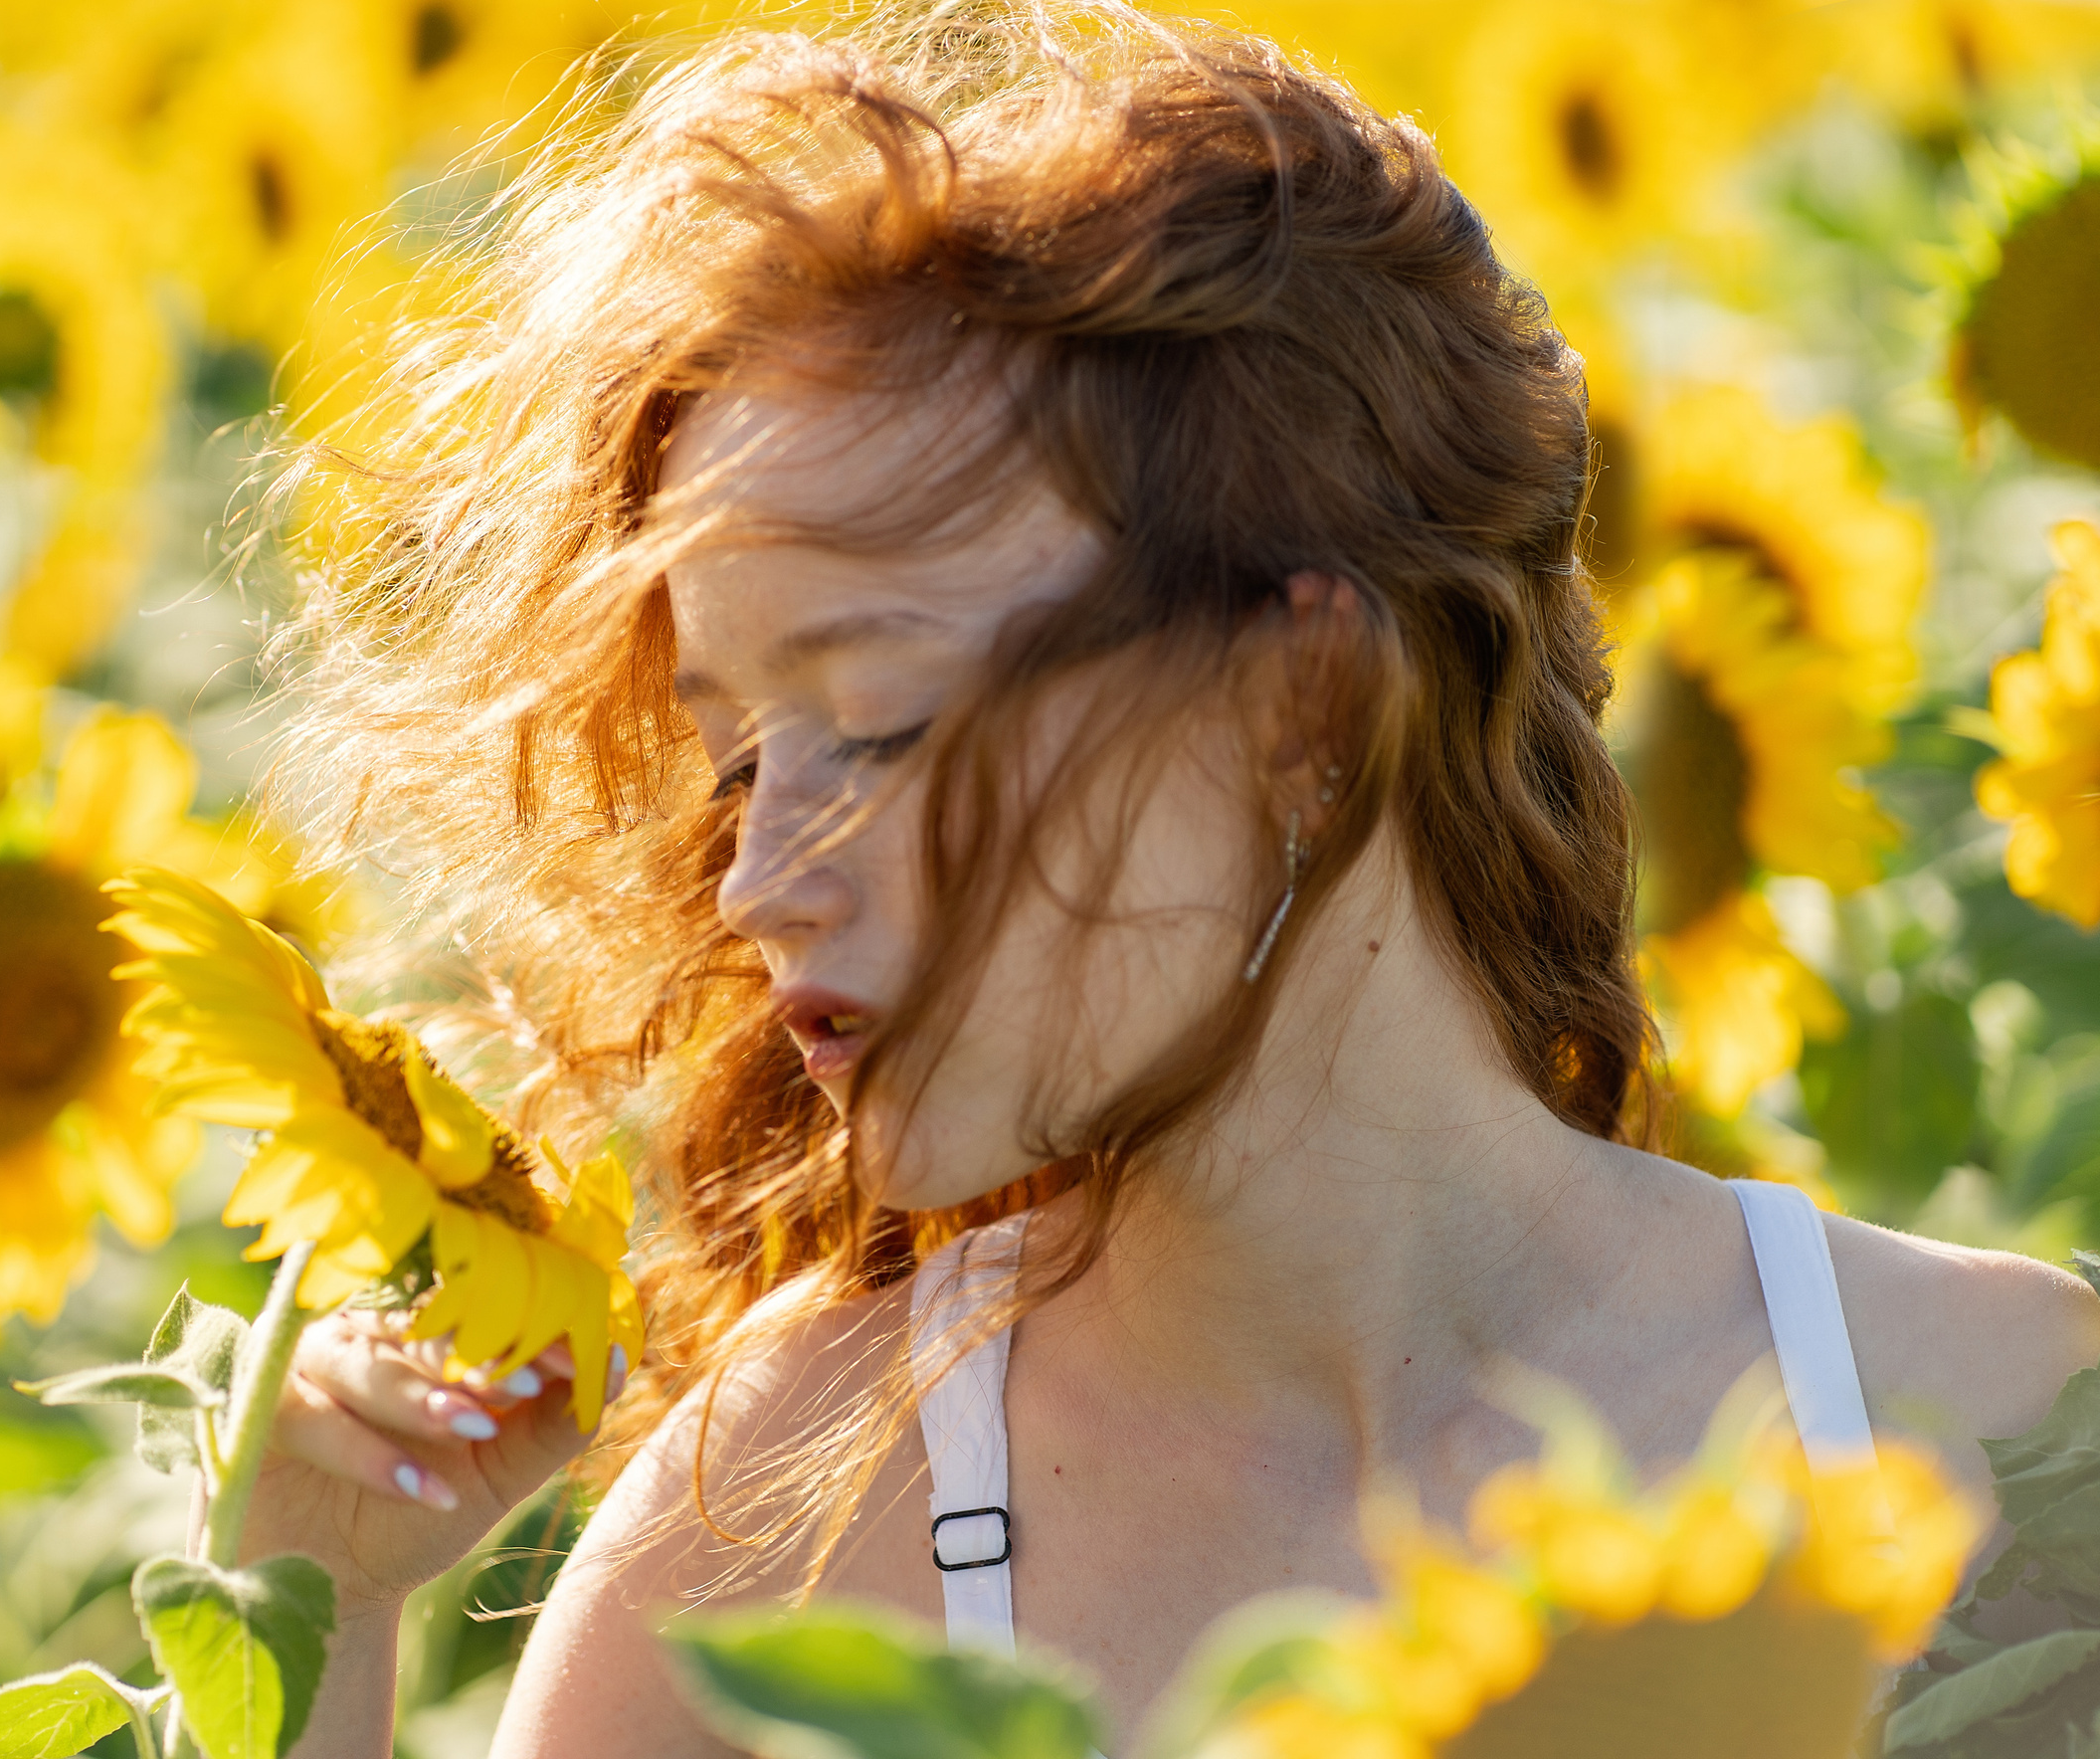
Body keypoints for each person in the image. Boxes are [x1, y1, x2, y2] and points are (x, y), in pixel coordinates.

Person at [241, 7, 2100, 1754]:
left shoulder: (2019, 1426)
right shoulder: (771, 1547)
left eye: (876, 724)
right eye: (740, 757)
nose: (754, 882)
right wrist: (300, 1618)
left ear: (1301, 704)